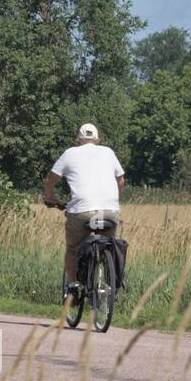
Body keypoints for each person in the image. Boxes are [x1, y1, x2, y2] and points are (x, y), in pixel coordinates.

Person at [42, 124, 125, 300]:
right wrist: (115, 201)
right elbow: (121, 180)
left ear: (78, 139)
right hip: (109, 210)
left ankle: (72, 287)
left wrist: (50, 197)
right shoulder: (108, 152)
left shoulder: (70, 153)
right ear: (97, 139)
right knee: (106, 243)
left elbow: (50, 179)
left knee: (72, 248)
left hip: (82, 211)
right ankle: (108, 283)